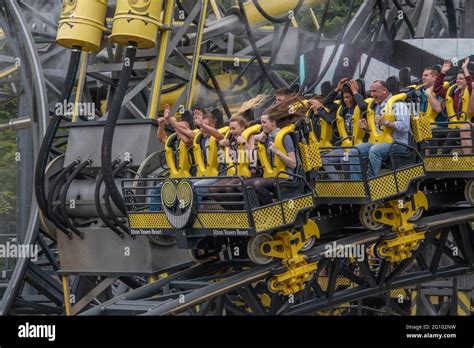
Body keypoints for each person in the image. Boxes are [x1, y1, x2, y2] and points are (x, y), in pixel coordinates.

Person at [244, 98, 303, 206]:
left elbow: (293, 164)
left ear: (273, 123)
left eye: (264, 122)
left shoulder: (284, 137)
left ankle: (271, 209)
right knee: (246, 185)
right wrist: (256, 142)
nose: (261, 125)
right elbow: (255, 159)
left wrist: (277, 152)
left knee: (258, 184)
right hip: (272, 175)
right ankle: (257, 211)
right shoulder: (265, 138)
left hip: (286, 176)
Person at [349, 80, 411, 180]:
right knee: (354, 151)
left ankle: (372, 183)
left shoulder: (398, 105)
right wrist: (366, 128)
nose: (371, 94)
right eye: (371, 91)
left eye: (374, 91)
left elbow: (404, 126)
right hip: (380, 142)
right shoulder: (376, 107)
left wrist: (386, 122)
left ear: (384, 91)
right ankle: (358, 184)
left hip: (399, 144)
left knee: (375, 150)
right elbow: (379, 132)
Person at [320, 78, 368, 179]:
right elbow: (326, 104)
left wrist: (355, 92)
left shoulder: (361, 106)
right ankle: (339, 184)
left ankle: (351, 186)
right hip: (346, 146)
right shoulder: (343, 109)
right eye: (344, 97)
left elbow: (364, 107)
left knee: (345, 159)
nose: (345, 100)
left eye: (348, 97)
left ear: (354, 97)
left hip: (359, 146)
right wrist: (337, 89)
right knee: (325, 159)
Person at [434, 58, 473, 155]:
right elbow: (437, 89)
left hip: (468, 125)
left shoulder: (471, 91)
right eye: (457, 78)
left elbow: (471, 85)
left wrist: (464, 68)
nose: (457, 81)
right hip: (454, 126)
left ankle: (442, 159)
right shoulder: (452, 91)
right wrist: (443, 72)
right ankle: (431, 160)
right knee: (434, 131)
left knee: (453, 133)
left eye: (460, 79)